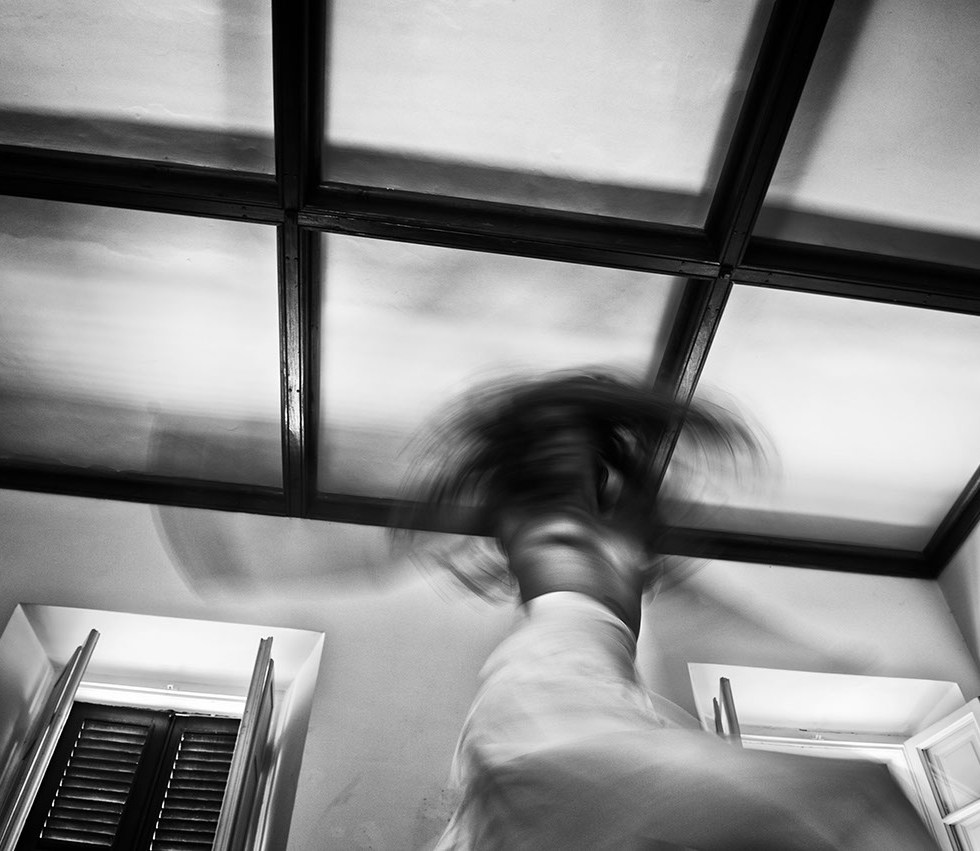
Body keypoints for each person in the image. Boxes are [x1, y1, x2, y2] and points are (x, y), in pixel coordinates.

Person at [398, 371, 938, 850]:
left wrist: (814, 651)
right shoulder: (528, 516)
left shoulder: (624, 523)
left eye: (571, 440)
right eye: (545, 442)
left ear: (596, 454)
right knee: (857, 796)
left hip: (612, 691)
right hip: (552, 675)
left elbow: (706, 601)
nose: (558, 455)